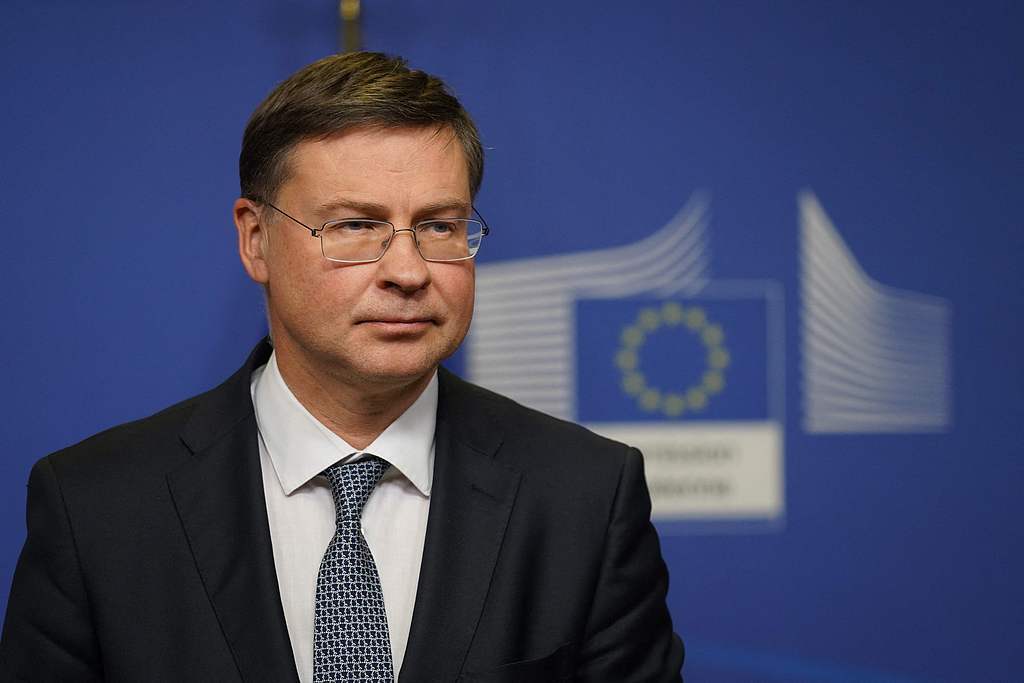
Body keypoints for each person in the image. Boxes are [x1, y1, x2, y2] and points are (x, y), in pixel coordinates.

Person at [0, 52, 684, 682]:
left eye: (439, 226)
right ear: (256, 239)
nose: (409, 271)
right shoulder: (97, 507)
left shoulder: (585, 496)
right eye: (356, 226)